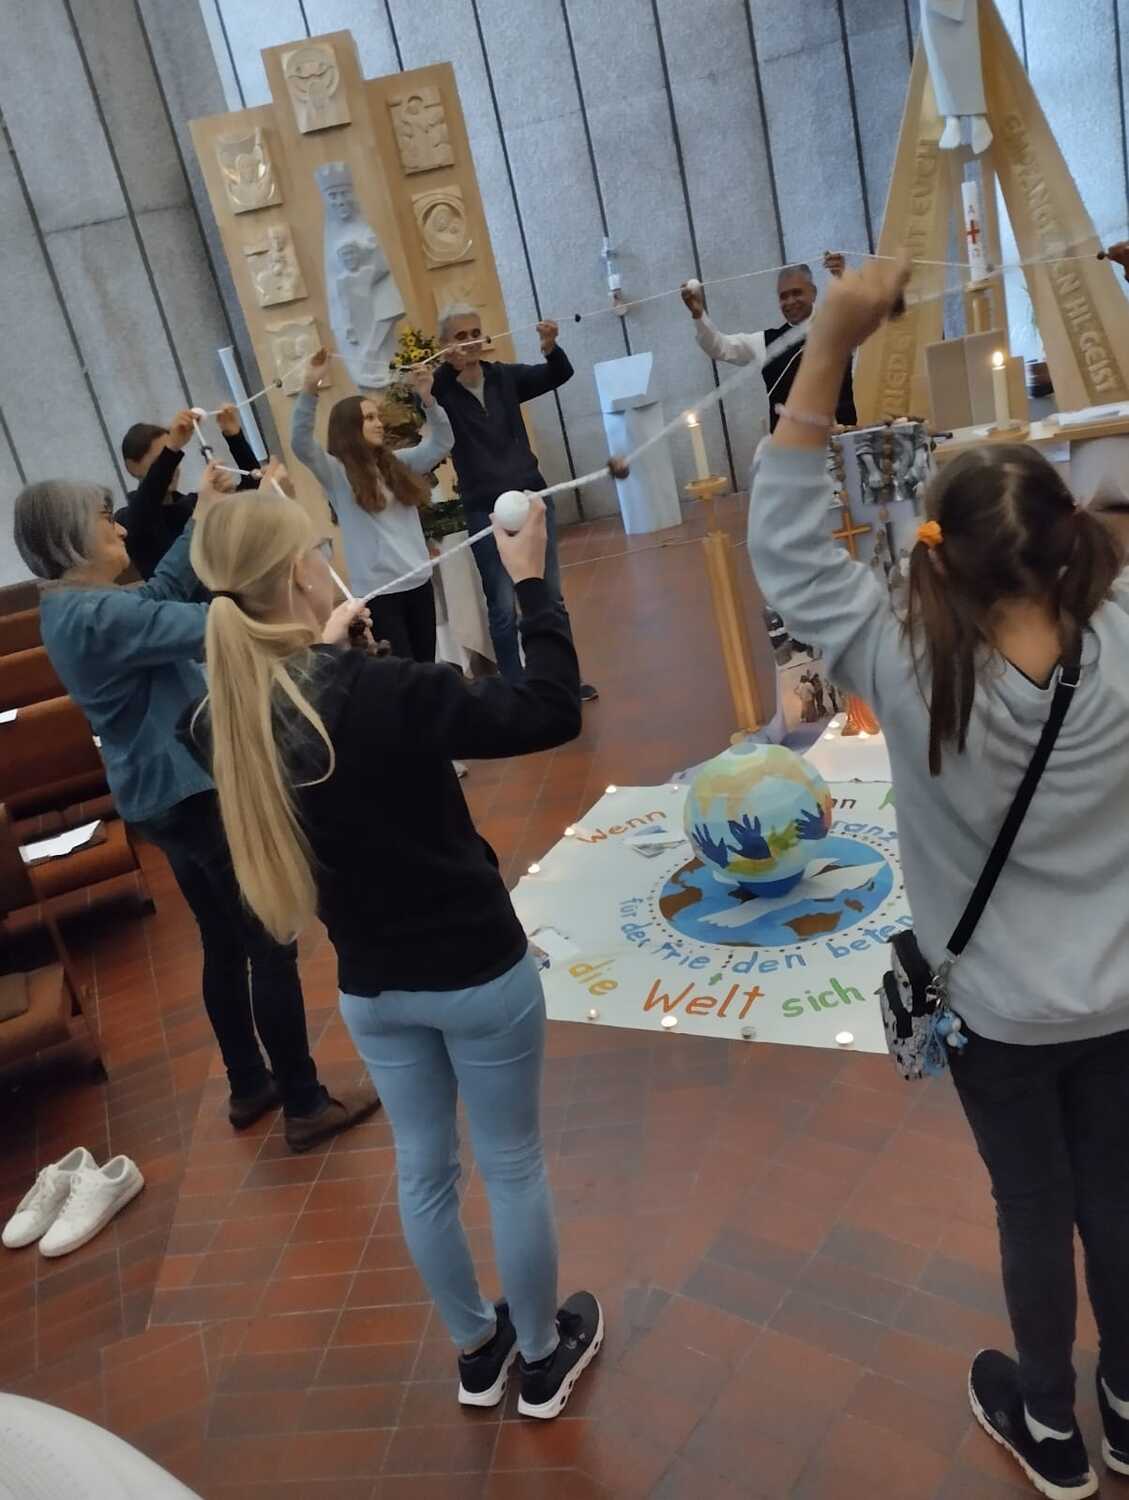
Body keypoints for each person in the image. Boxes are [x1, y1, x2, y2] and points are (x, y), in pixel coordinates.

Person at [748, 251, 1129, 1500]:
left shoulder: (904, 667)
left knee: (1032, 1208)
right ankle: (1128, 1404)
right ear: (1068, 540)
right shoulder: (1123, 640)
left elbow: (785, 547)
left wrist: (827, 343)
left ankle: (1050, 1424)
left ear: (937, 558)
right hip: (1122, 997)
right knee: (1119, 1194)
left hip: (998, 1013)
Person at [183, 484, 603, 1421]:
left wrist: (331, 653)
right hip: (476, 969)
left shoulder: (222, 720)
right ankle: (541, 1360)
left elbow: (311, 722)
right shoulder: (385, 691)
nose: (325, 559)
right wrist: (530, 582)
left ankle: (477, 1353)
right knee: (511, 1165)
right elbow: (547, 709)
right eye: (315, 548)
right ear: (298, 575)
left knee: (424, 1172)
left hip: (373, 987)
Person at [14, 465, 378, 1153]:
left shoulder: (74, 605)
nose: (120, 528)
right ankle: (305, 1104)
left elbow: (159, 595)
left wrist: (204, 515)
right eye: (104, 521)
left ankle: (249, 1084)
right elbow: (218, 623)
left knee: (224, 939)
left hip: (156, 795)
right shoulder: (96, 614)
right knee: (270, 934)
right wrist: (304, 605)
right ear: (68, 539)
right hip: (189, 793)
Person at [431, 303, 598, 700]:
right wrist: (444, 371)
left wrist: (550, 347)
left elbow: (558, 374)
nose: (470, 342)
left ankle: (564, 680)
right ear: (445, 345)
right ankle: (516, 690)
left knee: (551, 596)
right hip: (483, 508)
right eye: (460, 337)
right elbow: (424, 394)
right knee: (503, 603)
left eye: (475, 333)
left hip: (531, 497)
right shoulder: (442, 390)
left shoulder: (504, 377)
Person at [291, 348, 452, 663]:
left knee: (425, 666)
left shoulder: (399, 462)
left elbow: (442, 444)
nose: (379, 424)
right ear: (349, 427)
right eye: (369, 418)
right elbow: (300, 443)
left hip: (419, 583)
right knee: (400, 671)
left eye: (377, 416)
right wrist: (310, 386)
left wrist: (428, 399)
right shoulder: (336, 472)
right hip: (380, 593)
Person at [682, 254, 857, 431]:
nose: (790, 301)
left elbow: (859, 311)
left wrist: (843, 276)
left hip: (842, 442)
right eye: (784, 296)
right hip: (789, 446)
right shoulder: (765, 342)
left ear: (813, 293)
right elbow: (720, 347)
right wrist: (699, 315)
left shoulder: (837, 328)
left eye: (797, 293)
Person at [117, 405, 261, 580]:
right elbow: (149, 496)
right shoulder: (129, 520)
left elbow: (253, 494)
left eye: (173, 459)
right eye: (160, 461)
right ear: (132, 467)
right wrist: (172, 448)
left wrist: (234, 436)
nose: (172, 468)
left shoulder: (190, 505)